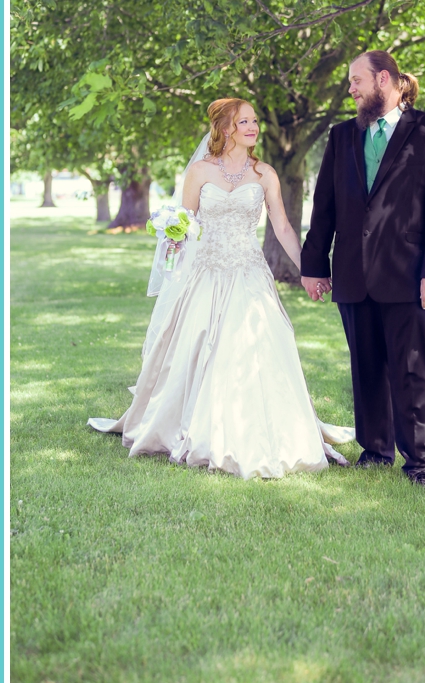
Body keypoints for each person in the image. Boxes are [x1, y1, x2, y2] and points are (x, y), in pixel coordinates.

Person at [89, 98, 351, 478]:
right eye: (244, 121)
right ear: (225, 128)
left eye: (255, 120)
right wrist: (174, 241)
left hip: (248, 274)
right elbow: (186, 222)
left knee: (256, 347)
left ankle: (262, 432)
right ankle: (191, 426)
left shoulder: (265, 174)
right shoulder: (198, 171)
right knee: (195, 347)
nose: (254, 127)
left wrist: (310, 271)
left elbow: (282, 228)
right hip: (205, 273)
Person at [300, 51, 425, 487]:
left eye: (356, 81)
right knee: (365, 366)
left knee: (410, 370)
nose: (350, 89)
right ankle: (375, 451)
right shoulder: (341, 137)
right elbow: (325, 208)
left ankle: (421, 464)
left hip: (408, 274)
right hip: (353, 272)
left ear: (384, 80)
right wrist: (313, 265)